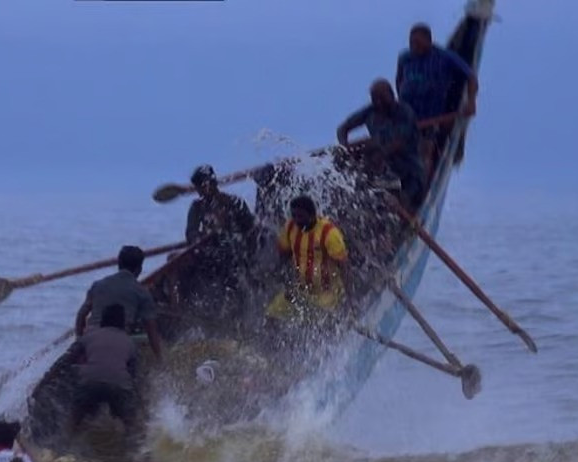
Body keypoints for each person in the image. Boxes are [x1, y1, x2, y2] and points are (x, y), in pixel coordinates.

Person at [182, 164, 263, 317]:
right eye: (198, 187)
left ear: (212, 183)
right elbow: (191, 232)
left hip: (235, 254)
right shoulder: (197, 208)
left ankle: (240, 314)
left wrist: (249, 255)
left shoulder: (234, 202)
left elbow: (251, 229)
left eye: (203, 185)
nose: (201, 190)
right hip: (208, 256)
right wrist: (197, 238)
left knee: (233, 265)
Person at [336, 79, 427, 209]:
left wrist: (379, 154)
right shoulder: (370, 111)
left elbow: (398, 143)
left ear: (391, 95)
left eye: (382, 99)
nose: (378, 103)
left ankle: (403, 208)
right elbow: (343, 128)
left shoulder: (404, 112)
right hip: (384, 171)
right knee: (364, 190)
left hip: (409, 171)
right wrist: (344, 146)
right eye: (375, 99)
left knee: (404, 201)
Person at [265, 195, 351, 323]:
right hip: (302, 289)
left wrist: (350, 301)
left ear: (311, 215)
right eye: (293, 216)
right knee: (271, 314)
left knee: (317, 320)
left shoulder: (329, 234)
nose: (296, 220)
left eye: (300, 216)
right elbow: (283, 257)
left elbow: (345, 267)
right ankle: (272, 341)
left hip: (327, 292)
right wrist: (288, 284)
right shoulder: (290, 228)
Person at [74, 245, 163, 360]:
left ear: (118, 264)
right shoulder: (142, 293)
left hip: (90, 339)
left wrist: (79, 340)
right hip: (119, 341)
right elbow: (151, 331)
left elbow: (81, 315)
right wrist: (160, 359)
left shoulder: (98, 285)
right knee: (145, 343)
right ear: (139, 269)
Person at [69, 304, 138, 431]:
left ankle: (69, 436)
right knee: (130, 423)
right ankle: (135, 443)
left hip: (89, 381)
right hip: (119, 384)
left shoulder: (89, 336)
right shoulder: (129, 342)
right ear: (123, 323)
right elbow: (132, 373)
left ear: (102, 320)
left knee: (75, 418)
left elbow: (72, 356)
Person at [396, 23, 479, 122]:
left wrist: (471, 101)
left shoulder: (445, 57)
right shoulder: (405, 58)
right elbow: (399, 79)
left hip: (433, 114)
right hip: (407, 113)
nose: (414, 47)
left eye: (418, 43)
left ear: (429, 41)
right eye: (412, 43)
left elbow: (471, 77)